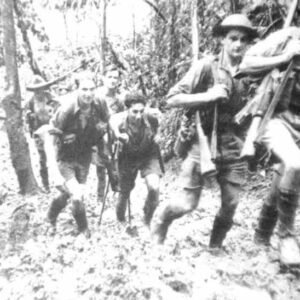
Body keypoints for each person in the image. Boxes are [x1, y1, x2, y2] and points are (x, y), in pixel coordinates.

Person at [151, 14, 258, 248]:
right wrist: (208, 96)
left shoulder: (250, 71)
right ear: (222, 40)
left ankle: (215, 247)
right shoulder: (206, 66)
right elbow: (172, 98)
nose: (238, 44)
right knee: (186, 203)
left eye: (243, 39)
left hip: (233, 142)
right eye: (233, 38)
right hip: (203, 140)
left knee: (231, 203)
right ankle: (159, 221)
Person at [239, 26, 300, 267]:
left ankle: (261, 235)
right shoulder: (289, 37)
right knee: (295, 164)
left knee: (285, 177)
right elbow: (246, 65)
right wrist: (285, 57)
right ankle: (286, 237)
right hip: (279, 118)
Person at [47, 74, 109, 237]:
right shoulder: (67, 109)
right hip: (65, 158)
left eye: (91, 89)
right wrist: (54, 170)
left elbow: (107, 123)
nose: (88, 94)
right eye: (84, 89)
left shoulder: (99, 104)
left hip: (84, 158)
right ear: (77, 90)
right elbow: (51, 136)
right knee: (76, 196)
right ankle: (83, 228)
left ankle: (50, 217)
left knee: (68, 194)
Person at [110, 93, 163, 226]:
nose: (139, 115)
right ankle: (121, 218)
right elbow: (111, 121)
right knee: (124, 191)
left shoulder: (149, 115)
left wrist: (159, 135)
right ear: (127, 109)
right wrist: (118, 134)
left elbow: (160, 119)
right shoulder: (120, 118)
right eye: (134, 111)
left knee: (154, 187)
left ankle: (147, 217)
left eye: (141, 111)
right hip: (128, 156)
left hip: (148, 154)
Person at [93, 65, 124, 202]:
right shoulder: (96, 97)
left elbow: (122, 117)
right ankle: (100, 197)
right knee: (100, 167)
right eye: (110, 77)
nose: (112, 80)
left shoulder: (120, 99)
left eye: (115, 77)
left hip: (114, 136)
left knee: (115, 164)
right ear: (103, 78)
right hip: (98, 136)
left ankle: (116, 191)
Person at [25, 75, 58, 192]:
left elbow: (59, 111)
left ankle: (60, 182)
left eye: (41, 88)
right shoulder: (30, 102)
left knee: (57, 156)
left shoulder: (50, 97)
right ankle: (46, 185)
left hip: (52, 131)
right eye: (36, 89)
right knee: (42, 159)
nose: (39, 92)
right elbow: (28, 121)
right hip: (39, 133)